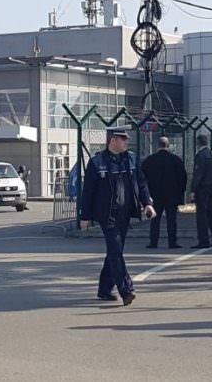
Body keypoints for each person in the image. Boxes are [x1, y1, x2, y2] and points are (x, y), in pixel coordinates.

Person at [81, 126, 156, 306]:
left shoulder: (130, 159)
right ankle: (126, 289)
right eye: (123, 139)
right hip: (107, 215)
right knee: (115, 251)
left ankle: (104, 289)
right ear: (113, 140)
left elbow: (141, 183)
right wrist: (85, 216)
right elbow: (88, 191)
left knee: (115, 252)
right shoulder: (97, 162)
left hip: (125, 213)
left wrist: (148, 204)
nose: (126, 142)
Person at [142, 136, 187, 249]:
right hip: (172, 195)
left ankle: (153, 242)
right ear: (168, 145)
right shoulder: (175, 160)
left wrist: (146, 195)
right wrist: (180, 192)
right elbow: (183, 178)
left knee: (154, 220)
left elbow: (142, 177)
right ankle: (172, 242)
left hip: (155, 195)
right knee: (172, 220)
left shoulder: (150, 160)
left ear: (158, 146)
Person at [191, 134, 212, 248]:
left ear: (198, 143)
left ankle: (204, 240)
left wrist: (193, 189)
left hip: (203, 187)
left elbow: (198, 173)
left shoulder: (200, 155)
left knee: (202, 215)